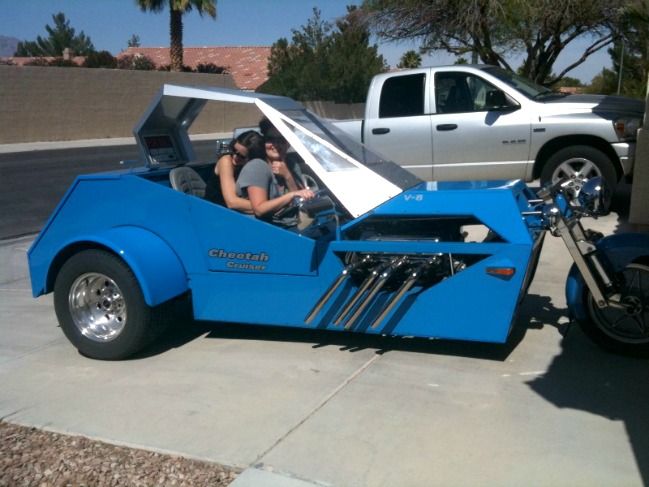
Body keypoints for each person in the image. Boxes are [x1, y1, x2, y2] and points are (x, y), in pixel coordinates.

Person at [236, 118, 314, 229]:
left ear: (288, 143)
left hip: (290, 225)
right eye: (271, 139)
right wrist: (291, 195)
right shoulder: (257, 166)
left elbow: (299, 201)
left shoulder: (291, 163)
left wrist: (287, 175)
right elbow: (259, 209)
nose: (276, 145)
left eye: (281, 140)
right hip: (265, 229)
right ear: (264, 141)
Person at [204, 130, 265, 212]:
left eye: (241, 156)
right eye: (233, 149)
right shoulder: (226, 160)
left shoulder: (255, 167)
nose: (235, 156)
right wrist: (266, 207)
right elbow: (232, 202)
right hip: (214, 211)